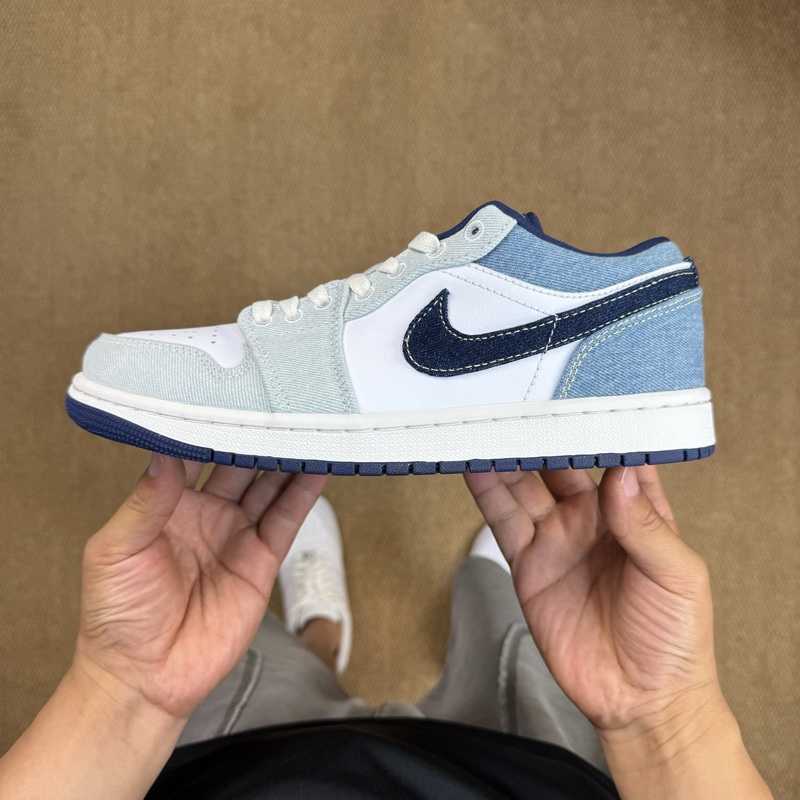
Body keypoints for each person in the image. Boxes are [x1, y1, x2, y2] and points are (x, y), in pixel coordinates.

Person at [0, 454, 773, 799]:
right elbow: (654, 719)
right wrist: (660, 719)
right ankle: (485, 591)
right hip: (525, 773)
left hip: (236, 767)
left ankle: (320, 638)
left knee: (222, 645)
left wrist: (122, 692)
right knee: (516, 635)